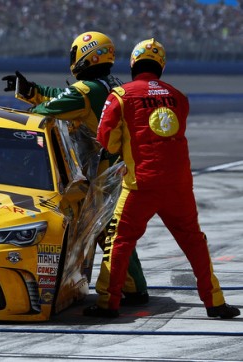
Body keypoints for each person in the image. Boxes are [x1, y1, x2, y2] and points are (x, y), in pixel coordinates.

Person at [84, 38, 240, 319]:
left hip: (140, 184)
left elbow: (105, 138)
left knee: (119, 241)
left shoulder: (120, 95)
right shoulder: (179, 96)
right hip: (179, 185)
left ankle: (108, 304)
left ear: (132, 64)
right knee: (195, 242)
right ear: (161, 66)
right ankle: (215, 302)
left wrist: (122, 150)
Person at [3, 31, 148, 305]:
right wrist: (31, 90)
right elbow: (62, 95)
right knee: (114, 230)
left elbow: (47, 111)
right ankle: (133, 285)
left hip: (106, 172)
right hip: (118, 168)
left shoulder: (86, 90)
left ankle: (128, 288)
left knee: (106, 230)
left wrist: (10, 122)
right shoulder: (108, 84)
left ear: (85, 55)